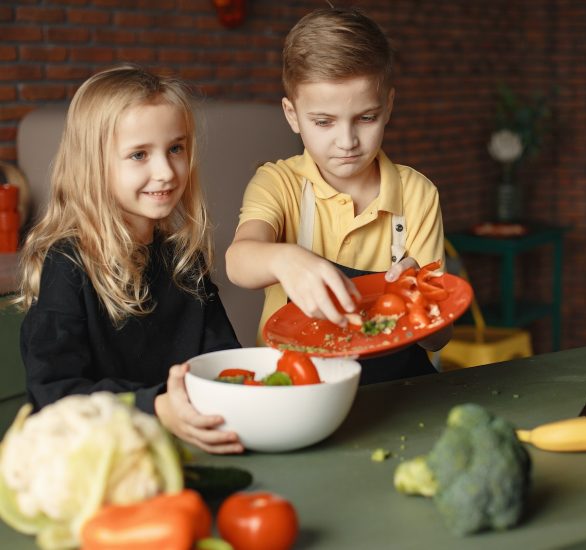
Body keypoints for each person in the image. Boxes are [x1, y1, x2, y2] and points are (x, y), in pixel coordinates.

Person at [17, 65, 243, 454]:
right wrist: (155, 406)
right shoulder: (68, 265)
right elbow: (56, 394)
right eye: (139, 154)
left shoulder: (183, 259)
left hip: (185, 449)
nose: (166, 172)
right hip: (101, 460)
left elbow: (225, 364)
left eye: (176, 148)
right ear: (93, 165)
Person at [225, 7, 451, 384]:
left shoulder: (418, 194)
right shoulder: (279, 183)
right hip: (299, 386)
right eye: (324, 122)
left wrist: (420, 302)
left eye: (366, 118)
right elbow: (238, 261)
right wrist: (286, 258)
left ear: (388, 106)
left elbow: (440, 340)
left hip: (395, 389)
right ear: (292, 114)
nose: (347, 142)